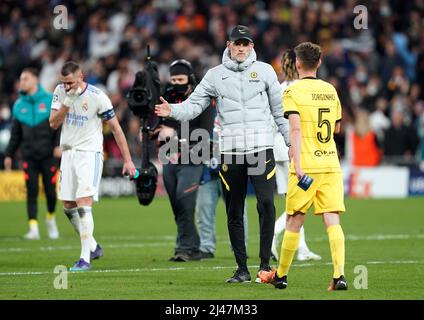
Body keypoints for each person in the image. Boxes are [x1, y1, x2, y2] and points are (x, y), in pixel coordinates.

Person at [156, 25, 291, 283]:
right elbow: (194, 106)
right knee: (234, 210)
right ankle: (242, 269)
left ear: (251, 46)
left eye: (245, 43)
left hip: (261, 147)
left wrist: (289, 142)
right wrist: (172, 111)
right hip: (230, 151)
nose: (240, 48)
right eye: (236, 43)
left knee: (266, 203)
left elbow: (279, 110)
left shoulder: (265, 71)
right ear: (228, 44)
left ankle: (265, 266)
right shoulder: (214, 76)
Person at [258, 42, 347, 291]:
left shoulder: (292, 92)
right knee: (332, 220)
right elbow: (337, 127)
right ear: (319, 63)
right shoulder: (331, 90)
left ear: (297, 64)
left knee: (294, 220)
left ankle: (282, 275)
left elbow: (294, 129)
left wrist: (297, 162)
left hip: (305, 164)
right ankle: (339, 275)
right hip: (330, 162)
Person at [49, 61, 136, 271]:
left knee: (84, 202)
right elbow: (53, 123)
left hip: (89, 154)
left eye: (70, 82)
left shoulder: (98, 97)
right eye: (64, 83)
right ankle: (94, 247)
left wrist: (128, 160)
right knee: (68, 206)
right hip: (68, 153)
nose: (66, 86)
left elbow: (115, 129)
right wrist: (67, 102)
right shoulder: (60, 92)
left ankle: (84, 259)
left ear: (81, 77)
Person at [157, 59, 214, 262]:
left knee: (184, 201)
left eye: (180, 79)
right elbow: (159, 126)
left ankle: (183, 248)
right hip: (169, 157)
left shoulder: (203, 99)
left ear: (189, 78)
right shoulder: (167, 98)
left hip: (194, 157)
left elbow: (205, 132)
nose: (176, 83)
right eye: (173, 79)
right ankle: (194, 247)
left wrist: (175, 132)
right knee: (176, 205)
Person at [271, 49, 321, 262]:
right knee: (301, 201)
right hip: (295, 149)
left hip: (277, 147)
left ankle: (302, 248)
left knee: (292, 200)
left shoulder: (278, 89)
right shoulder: (302, 89)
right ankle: (272, 234)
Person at [4, 68, 60, 240]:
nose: (22, 82)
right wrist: (9, 155)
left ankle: (50, 218)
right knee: (32, 190)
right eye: (21, 79)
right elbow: (15, 134)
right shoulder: (19, 106)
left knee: (51, 192)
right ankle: (33, 227)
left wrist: (58, 145)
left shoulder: (50, 100)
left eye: (25, 79)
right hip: (28, 156)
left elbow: (59, 125)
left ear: (35, 80)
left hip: (49, 155)